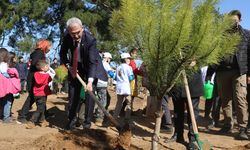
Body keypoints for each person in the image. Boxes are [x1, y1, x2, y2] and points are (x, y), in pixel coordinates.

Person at [206, 10, 250, 140]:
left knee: (240, 98)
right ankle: (227, 124)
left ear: (239, 20)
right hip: (222, 71)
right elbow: (214, 56)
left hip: (239, 71)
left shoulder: (246, 35)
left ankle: (242, 128)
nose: (232, 23)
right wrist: (209, 74)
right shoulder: (221, 36)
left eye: (235, 20)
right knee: (225, 100)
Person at [60, 17, 108, 130]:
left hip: (92, 68)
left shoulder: (90, 40)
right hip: (75, 68)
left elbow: (92, 62)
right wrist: (68, 65)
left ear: (82, 28)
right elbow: (62, 53)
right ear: (69, 31)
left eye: (78, 32)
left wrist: (90, 81)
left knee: (89, 97)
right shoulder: (67, 37)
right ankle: (71, 122)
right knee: (73, 95)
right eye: (73, 34)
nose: (76, 36)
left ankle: (87, 124)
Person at [167, 70, 204, 150]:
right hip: (178, 82)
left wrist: (195, 61)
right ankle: (178, 134)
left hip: (193, 83)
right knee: (177, 111)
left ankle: (193, 139)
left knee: (193, 113)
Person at [17, 39, 52, 123]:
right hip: (34, 79)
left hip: (34, 77)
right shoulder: (39, 52)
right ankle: (22, 116)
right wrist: (43, 68)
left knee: (42, 96)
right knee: (32, 97)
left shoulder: (38, 52)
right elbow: (35, 63)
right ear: (45, 45)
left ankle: (44, 114)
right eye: (49, 46)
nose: (49, 48)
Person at [26, 60, 53, 128]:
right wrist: (48, 74)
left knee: (42, 107)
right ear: (42, 68)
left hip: (36, 94)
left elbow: (38, 82)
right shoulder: (47, 75)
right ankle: (32, 121)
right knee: (40, 109)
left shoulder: (36, 74)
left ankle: (42, 121)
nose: (48, 67)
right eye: (47, 66)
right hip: (42, 94)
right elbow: (50, 79)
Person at [94, 52, 115, 126]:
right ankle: (99, 118)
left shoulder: (98, 63)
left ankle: (100, 113)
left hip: (95, 83)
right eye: (110, 59)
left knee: (107, 98)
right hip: (102, 84)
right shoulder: (105, 64)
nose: (110, 60)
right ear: (107, 58)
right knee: (103, 101)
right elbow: (111, 74)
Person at [0, 48, 21, 123]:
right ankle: (6, 118)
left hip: (1, 88)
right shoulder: (4, 65)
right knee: (8, 102)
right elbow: (6, 75)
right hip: (6, 87)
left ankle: (2, 115)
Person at [113, 53, 134, 122]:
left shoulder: (118, 67)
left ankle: (114, 119)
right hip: (126, 88)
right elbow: (131, 78)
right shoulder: (128, 67)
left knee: (119, 103)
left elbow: (115, 78)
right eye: (128, 58)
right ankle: (127, 119)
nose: (129, 60)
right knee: (129, 103)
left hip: (119, 87)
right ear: (125, 59)